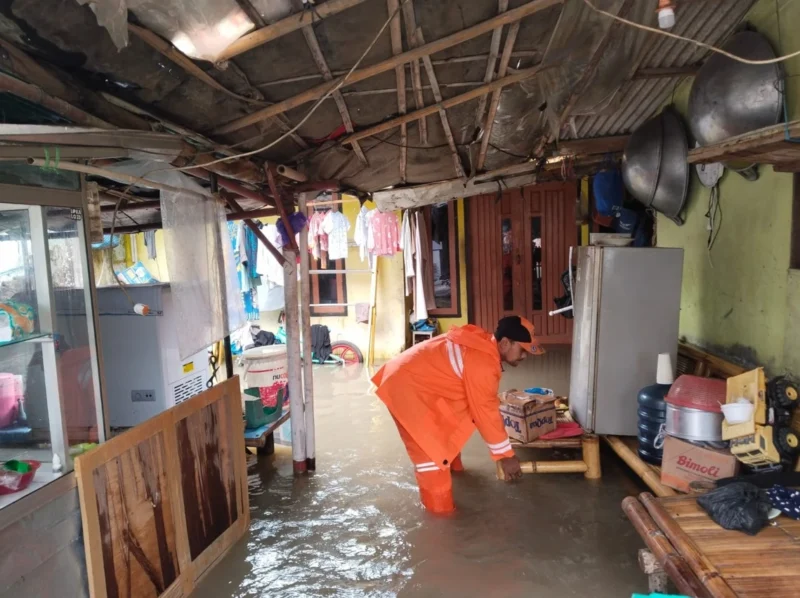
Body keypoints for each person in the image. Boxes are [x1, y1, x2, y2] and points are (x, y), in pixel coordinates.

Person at [372, 315, 545, 514]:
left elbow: (479, 403)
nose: (525, 356)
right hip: (407, 390)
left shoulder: (483, 345)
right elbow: (485, 411)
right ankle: (440, 522)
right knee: (433, 462)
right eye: (523, 350)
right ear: (505, 343)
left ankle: (457, 473)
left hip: (413, 381)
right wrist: (506, 456)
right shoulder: (483, 361)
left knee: (451, 430)